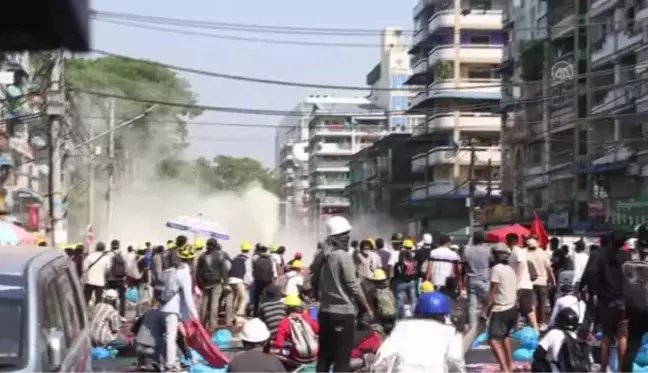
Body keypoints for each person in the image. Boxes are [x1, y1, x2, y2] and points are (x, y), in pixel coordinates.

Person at [311, 216, 373, 373]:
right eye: (347, 235)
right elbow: (353, 285)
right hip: (343, 314)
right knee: (342, 359)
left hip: (325, 312)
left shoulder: (322, 256)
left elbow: (314, 282)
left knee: (324, 357)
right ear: (341, 237)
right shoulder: (342, 256)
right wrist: (366, 306)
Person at [372, 292, 464, 373]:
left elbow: (384, 355)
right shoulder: (450, 332)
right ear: (444, 315)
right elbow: (455, 359)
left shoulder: (401, 327)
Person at [159, 247, 200, 372]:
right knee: (172, 337)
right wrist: (195, 315)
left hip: (163, 307)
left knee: (169, 336)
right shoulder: (183, 273)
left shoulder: (167, 271)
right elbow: (188, 297)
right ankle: (170, 365)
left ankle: (172, 361)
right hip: (173, 309)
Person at [482, 244, 518, 373]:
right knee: (505, 336)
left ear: (496, 255)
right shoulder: (510, 269)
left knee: (493, 340)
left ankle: (504, 368)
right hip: (512, 307)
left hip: (500, 309)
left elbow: (494, 290)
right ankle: (509, 364)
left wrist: (484, 310)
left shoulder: (496, 269)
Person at [532, 308, 591, 373]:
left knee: (538, 364)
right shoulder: (577, 337)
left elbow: (538, 353)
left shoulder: (554, 333)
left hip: (557, 370)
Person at [273, 294, 319, 364]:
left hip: (298, 357)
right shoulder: (308, 317)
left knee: (275, 352)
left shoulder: (284, 322)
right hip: (315, 356)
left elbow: (279, 344)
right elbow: (317, 330)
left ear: (286, 308)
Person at [196, 238, 230, 329]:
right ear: (215, 246)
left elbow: (198, 271)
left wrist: (199, 283)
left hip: (206, 283)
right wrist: (226, 283)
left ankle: (202, 323)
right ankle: (212, 324)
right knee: (214, 304)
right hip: (216, 283)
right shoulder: (219, 256)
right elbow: (224, 271)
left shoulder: (202, 256)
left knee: (204, 303)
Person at [508, 233, 538, 331]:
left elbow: (521, 266)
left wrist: (516, 281)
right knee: (516, 308)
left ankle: (535, 328)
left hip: (522, 285)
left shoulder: (518, 251)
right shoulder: (513, 252)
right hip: (518, 285)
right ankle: (514, 328)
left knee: (526, 308)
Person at [463, 231, 491, 328]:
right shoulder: (487, 250)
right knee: (490, 301)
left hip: (471, 278)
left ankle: (472, 327)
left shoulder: (467, 250)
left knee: (472, 305)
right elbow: (491, 262)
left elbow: (464, 265)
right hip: (484, 278)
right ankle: (487, 321)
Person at [527, 236, 555, 330]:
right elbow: (549, 268)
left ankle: (532, 323)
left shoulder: (525, 253)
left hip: (529, 281)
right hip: (542, 281)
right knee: (542, 303)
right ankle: (541, 323)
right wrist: (552, 280)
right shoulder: (542, 253)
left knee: (532, 303)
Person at [392, 239, 419, 318]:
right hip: (411, 281)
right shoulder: (414, 257)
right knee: (413, 299)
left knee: (400, 300)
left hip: (400, 281)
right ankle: (413, 314)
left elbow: (397, 269)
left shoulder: (400, 254)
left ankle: (400, 316)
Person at [228, 240, 253, 324]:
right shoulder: (247, 259)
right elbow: (247, 273)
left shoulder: (236, 257)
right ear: (249, 250)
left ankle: (231, 315)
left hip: (230, 279)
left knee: (234, 297)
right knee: (244, 298)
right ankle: (239, 315)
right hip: (239, 279)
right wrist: (247, 283)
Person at [366, 269, 397, 333]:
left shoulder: (373, 292)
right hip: (392, 316)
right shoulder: (389, 290)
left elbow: (372, 308)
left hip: (381, 318)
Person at [83, 241, 112, 305]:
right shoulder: (106, 258)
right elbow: (108, 269)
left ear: (96, 248)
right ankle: (97, 312)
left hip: (89, 281)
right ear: (104, 248)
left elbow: (84, 268)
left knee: (86, 299)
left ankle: (84, 312)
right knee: (98, 300)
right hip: (100, 281)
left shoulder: (89, 257)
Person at [106, 239, 128, 318]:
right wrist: (125, 275)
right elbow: (127, 266)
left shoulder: (108, 254)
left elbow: (107, 267)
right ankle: (122, 314)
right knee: (122, 297)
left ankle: (113, 313)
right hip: (121, 278)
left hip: (111, 279)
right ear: (119, 245)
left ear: (111, 245)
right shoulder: (124, 254)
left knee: (111, 295)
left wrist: (106, 276)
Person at [252, 245, 276, 316]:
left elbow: (254, 269)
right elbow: (272, 270)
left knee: (256, 296)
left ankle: (255, 311)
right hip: (267, 281)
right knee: (265, 297)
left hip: (258, 280)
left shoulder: (257, 259)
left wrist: (255, 278)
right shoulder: (269, 260)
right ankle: (264, 312)